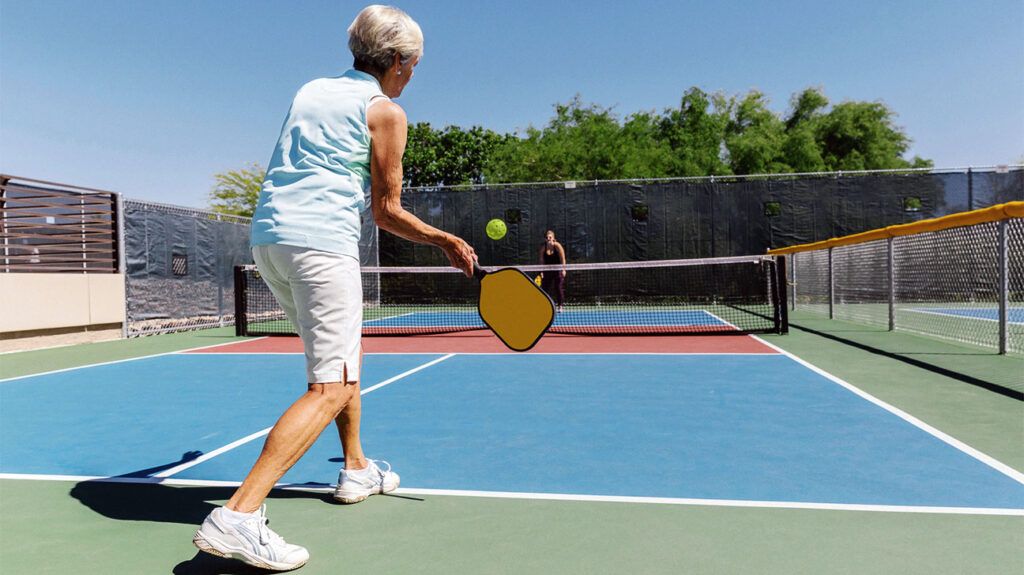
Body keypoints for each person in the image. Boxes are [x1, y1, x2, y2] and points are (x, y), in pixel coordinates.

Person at [191, 6, 476, 571]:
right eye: (413, 64)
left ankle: (355, 468)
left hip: (269, 240)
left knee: (341, 368)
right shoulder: (386, 112)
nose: (412, 73)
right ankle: (240, 516)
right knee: (330, 386)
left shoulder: (310, 90)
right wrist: (444, 239)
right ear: (396, 61)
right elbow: (387, 210)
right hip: (323, 244)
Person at [539, 230, 566, 311]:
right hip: (547, 270)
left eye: (550, 237)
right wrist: (541, 271)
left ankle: (560, 306)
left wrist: (563, 269)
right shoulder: (543, 247)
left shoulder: (557, 246)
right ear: (545, 239)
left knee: (558, 287)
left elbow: (563, 259)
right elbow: (541, 260)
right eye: (547, 237)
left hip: (557, 270)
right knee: (544, 288)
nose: (548, 239)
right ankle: (544, 305)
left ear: (553, 238)